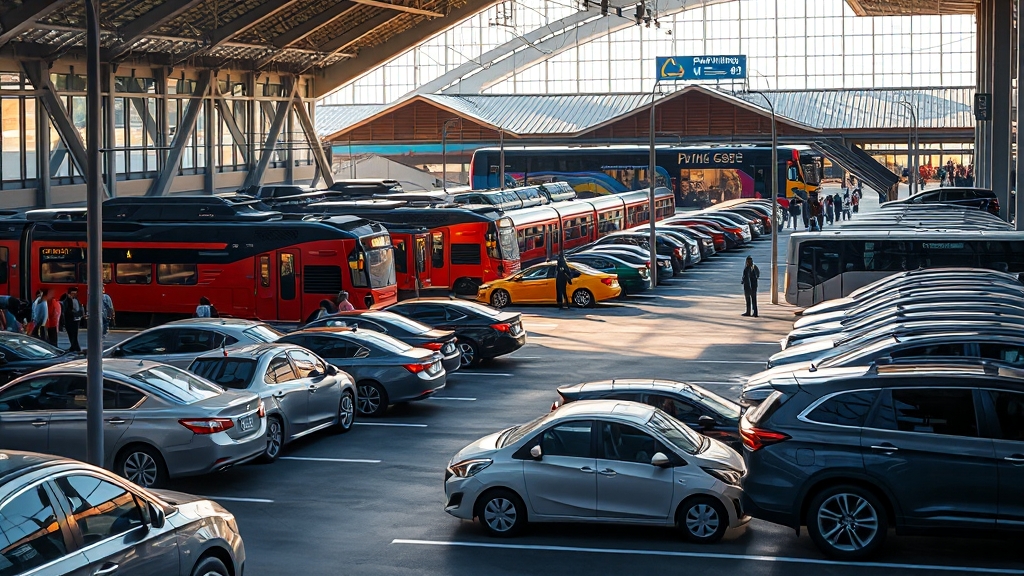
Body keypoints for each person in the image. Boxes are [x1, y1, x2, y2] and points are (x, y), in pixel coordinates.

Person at [59, 287, 84, 353]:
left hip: (75, 319)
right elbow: (66, 310)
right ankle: (74, 346)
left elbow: (79, 308)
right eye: (72, 293)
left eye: (75, 293)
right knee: (71, 333)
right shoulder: (66, 300)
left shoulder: (76, 300)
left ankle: (75, 347)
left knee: (74, 334)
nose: (74, 295)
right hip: (69, 319)